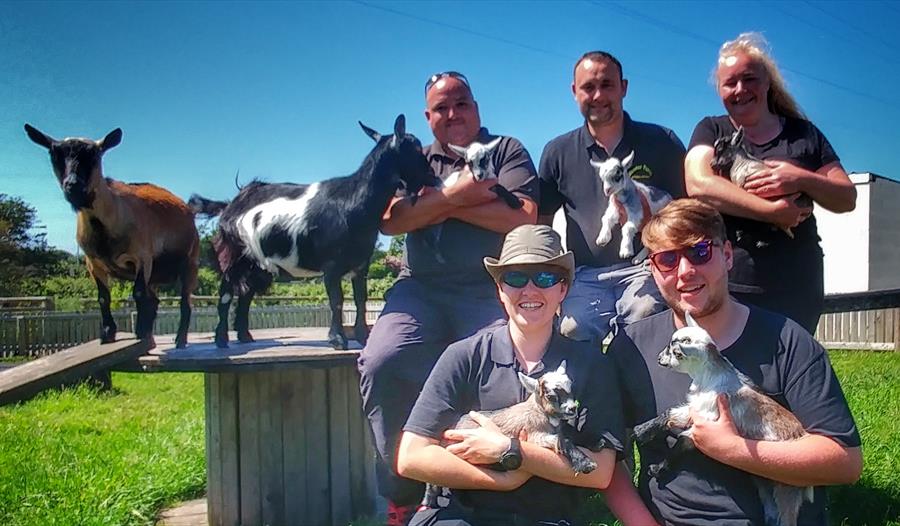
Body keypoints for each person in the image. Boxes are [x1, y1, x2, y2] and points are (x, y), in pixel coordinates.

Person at [605, 198, 862, 525]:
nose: (685, 272)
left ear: (727, 256)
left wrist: (734, 449)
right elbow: (610, 457)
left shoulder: (788, 341)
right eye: (668, 259)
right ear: (653, 270)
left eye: (700, 252)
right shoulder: (631, 347)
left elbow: (845, 462)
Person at [358, 71, 539, 524]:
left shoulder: (506, 150)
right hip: (420, 289)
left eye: (462, 103)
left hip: (491, 287)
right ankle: (403, 492)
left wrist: (434, 205)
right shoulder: (414, 157)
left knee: (506, 366)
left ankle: (493, 490)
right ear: (428, 117)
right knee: (382, 360)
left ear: (476, 106)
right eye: (442, 108)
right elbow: (389, 220)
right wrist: (459, 193)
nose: (453, 113)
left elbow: (526, 218)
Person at [397, 224, 626, 526]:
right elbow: (412, 457)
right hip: (460, 516)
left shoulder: (591, 364)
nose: (529, 290)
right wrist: (503, 480)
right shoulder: (464, 355)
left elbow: (599, 472)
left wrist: (511, 452)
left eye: (544, 277)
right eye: (515, 277)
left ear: (563, 289)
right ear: (500, 289)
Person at [684, 32, 857, 333]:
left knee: (793, 369)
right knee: (734, 374)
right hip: (732, 282)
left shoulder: (803, 134)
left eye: (749, 79)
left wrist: (798, 177)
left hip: (797, 282)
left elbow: (846, 197)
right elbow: (699, 184)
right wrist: (772, 212)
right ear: (720, 89)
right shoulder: (712, 129)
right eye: (730, 83)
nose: (740, 89)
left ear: (766, 82)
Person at [539, 50, 687, 345]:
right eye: (587, 87)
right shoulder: (557, 152)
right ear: (574, 92)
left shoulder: (663, 141)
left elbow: (687, 210)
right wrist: (546, 280)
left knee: (647, 315)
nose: (597, 95)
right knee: (571, 329)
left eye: (607, 85)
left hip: (648, 268)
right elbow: (542, 225)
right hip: (584, 277)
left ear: (624, 87)